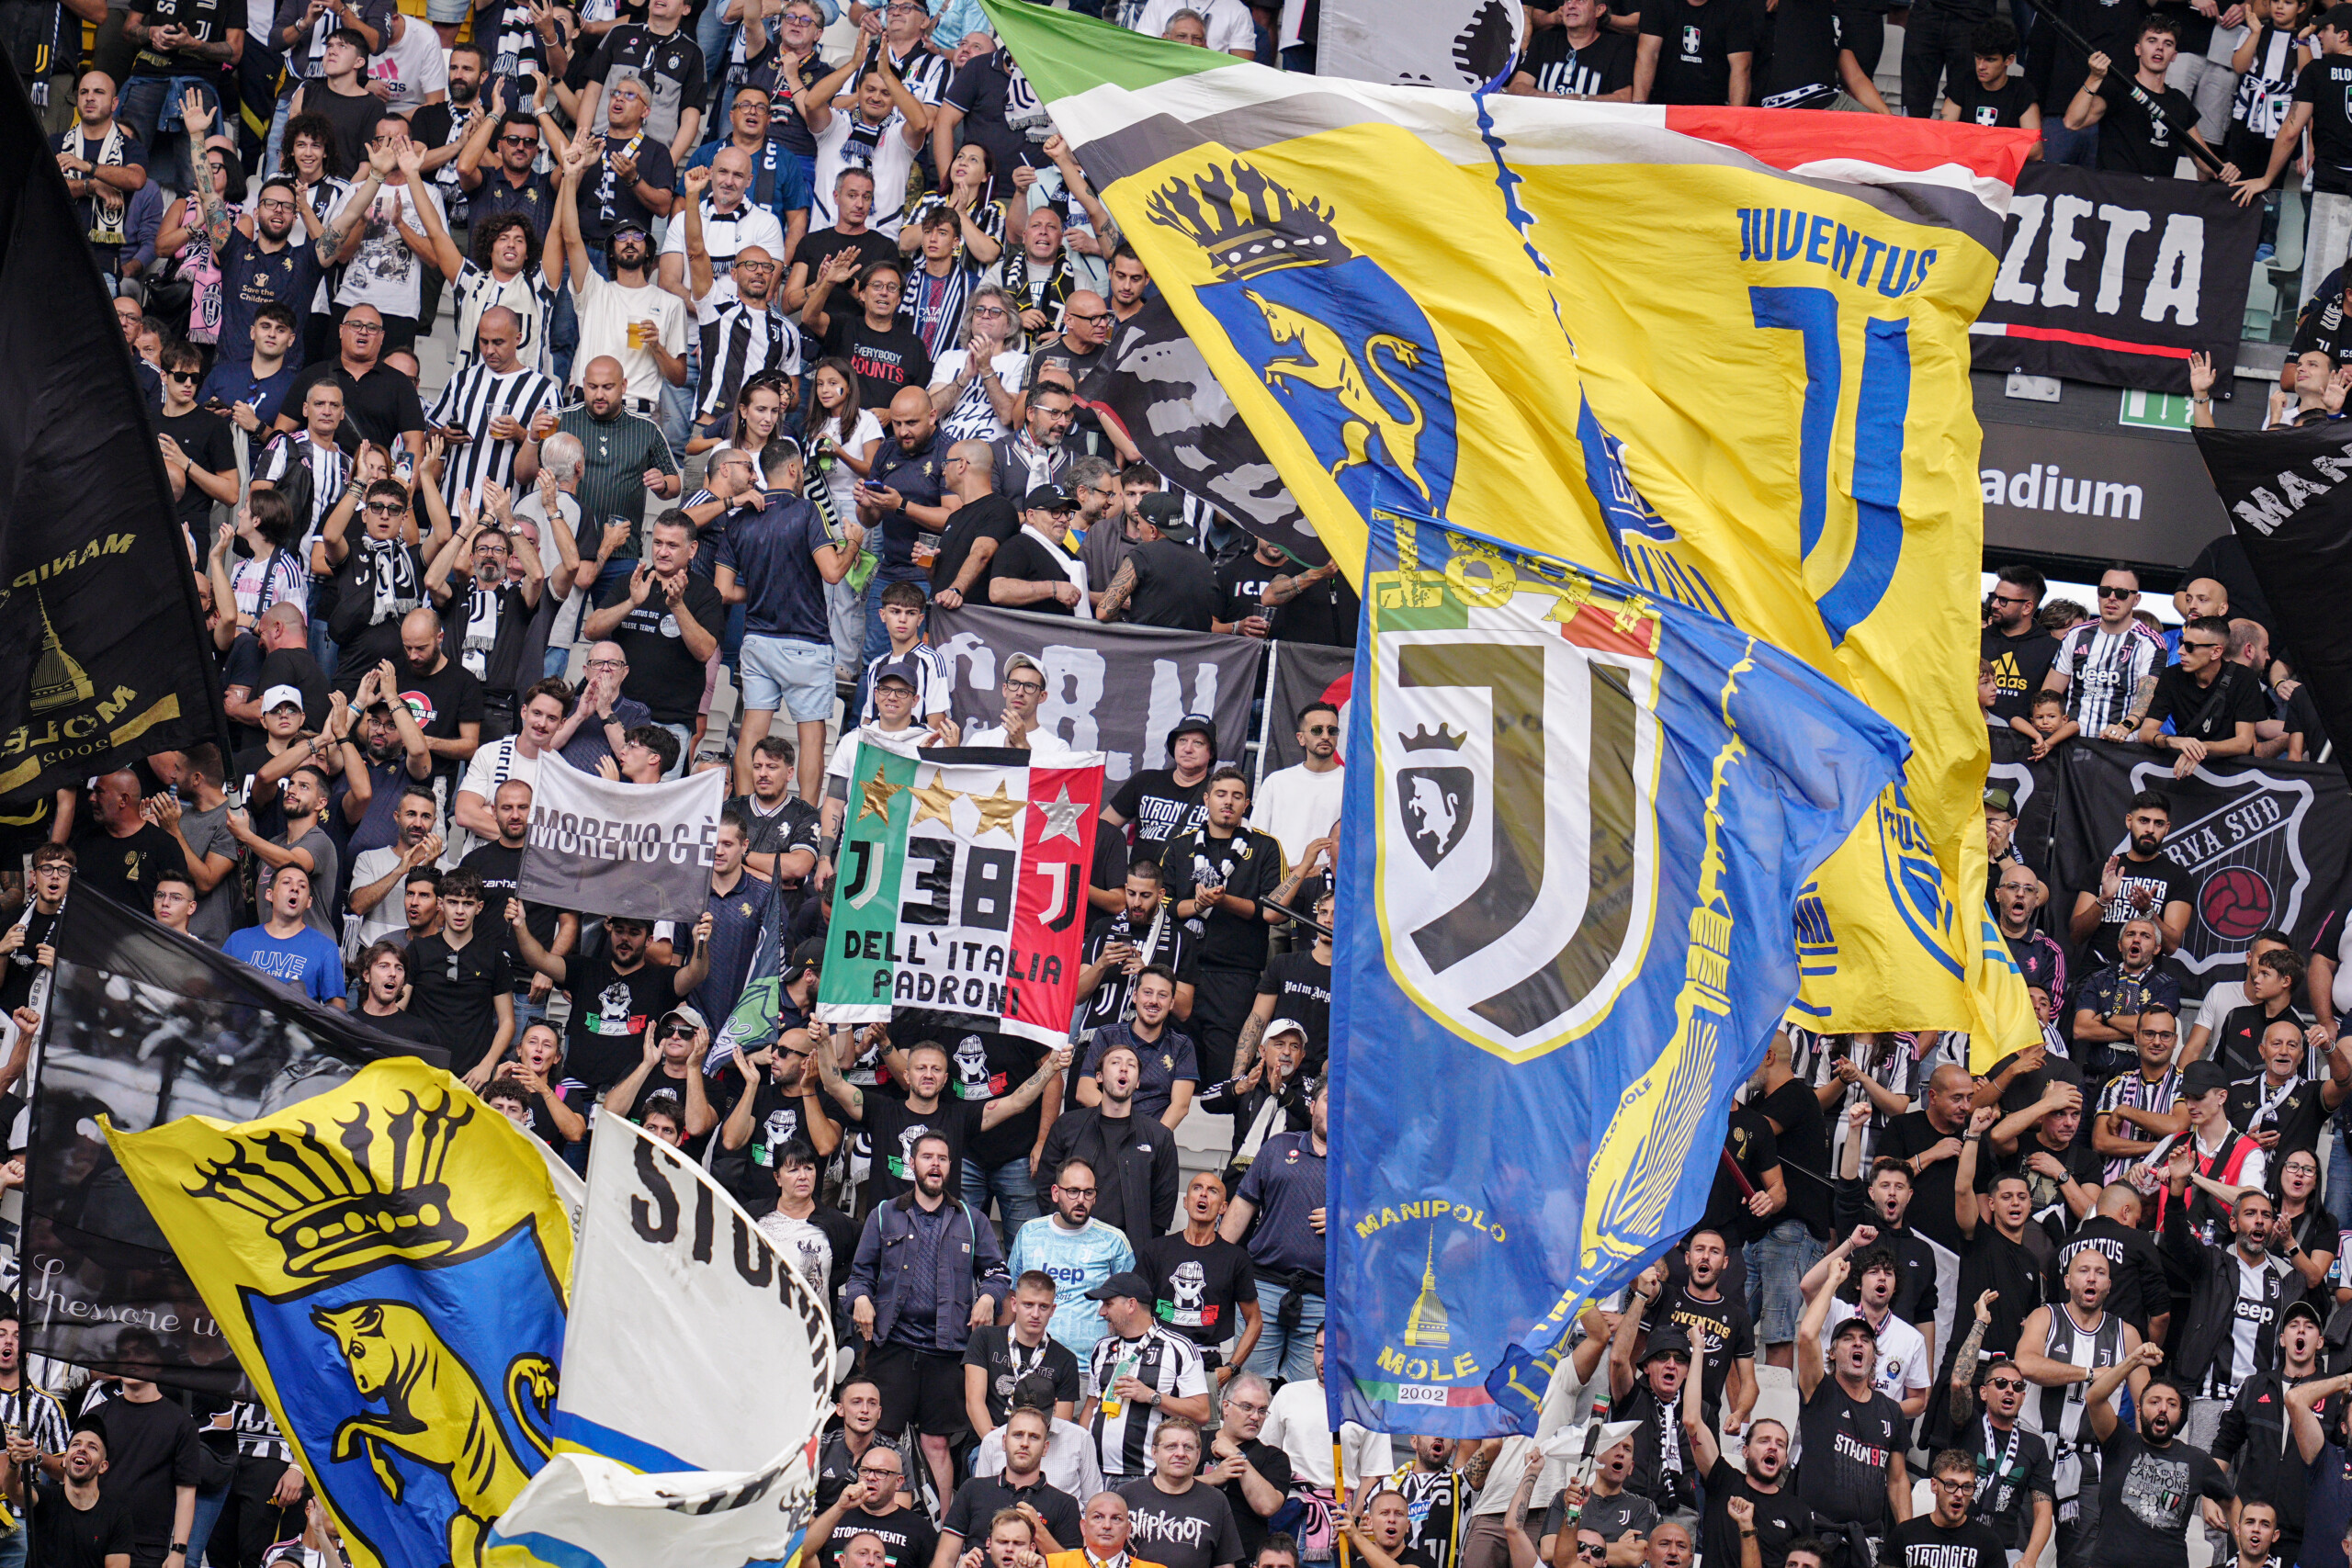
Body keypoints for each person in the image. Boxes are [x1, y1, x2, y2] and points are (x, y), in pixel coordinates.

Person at [846, 1131, 1014, 1505]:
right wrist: (859, 1299)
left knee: (937, 1443)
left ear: (950, 1168)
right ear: (913, 1164)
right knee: (881, 1436)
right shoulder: (884, 1213)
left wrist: (989, 1296)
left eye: (942, 1158)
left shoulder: (971, 1220)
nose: (935, 1164)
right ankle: (870, 1512)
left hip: (947, 1349)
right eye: (927, 1157)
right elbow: (860, 1275)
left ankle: (944, 1529)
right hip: (892, 1345)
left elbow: (998, 1273)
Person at [716, 441, 865, 802]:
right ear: (796, 469)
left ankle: (744, 815)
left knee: (751, 732)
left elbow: (723, 590)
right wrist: (853, 545)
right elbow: (832, 573)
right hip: (806, 642)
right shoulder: (807, 511)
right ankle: (807, 823)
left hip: (757, 640)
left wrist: (760, 589)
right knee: (812, 738)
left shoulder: (739, 521)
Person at [506, 898, 709, 1098]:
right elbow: (539, 959)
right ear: (610, 931)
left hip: (631, 1094)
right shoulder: (584, 968)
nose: (625, 939)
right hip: (577, 1090)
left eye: (634, 933)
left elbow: (695, 974)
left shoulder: (661, 979)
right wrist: (521, 926)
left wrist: (700, 942)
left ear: (649, 940)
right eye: (619, 931)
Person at [553, 144, 689, 412]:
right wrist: (570, 176)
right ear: (611, 252)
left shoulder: (671, 303)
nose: (629, 241)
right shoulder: (595, 290)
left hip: (637, 409)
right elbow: (570, 237)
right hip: (585, 403)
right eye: (621, 236)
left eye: (638, 236)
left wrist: (657, 347)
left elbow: (679, 377)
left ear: (648, 250)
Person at [1792, 1254, 1911, 1556]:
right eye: (1847, 1339)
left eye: (1865, 1340)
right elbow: (1807, 1334)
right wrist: (1833, 1280)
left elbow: (1897, 1480)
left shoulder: (1891, 1411)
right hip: (1815, 1539)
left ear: (1874, 1355)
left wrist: (1909, 1539)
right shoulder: (1819, 1391)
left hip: (1867, 1544)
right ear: (1831, 1353)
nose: (1858, 1343)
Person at [582, 512, 722, 766]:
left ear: (692, 550)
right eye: (658, 543)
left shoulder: (705, 594)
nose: (662, 552)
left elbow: (704, 652)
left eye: (672, 545)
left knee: (654, 803)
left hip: (668, 723)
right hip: (616, 711)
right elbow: (591, 630)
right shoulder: (632, 582)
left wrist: (677, 604)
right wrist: (632, 602)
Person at [2083, 1352, 2232, 1568]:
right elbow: (2094, 1398)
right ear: (2139, 1409)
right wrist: (2134, 1360)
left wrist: (2247, 1553)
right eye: (2155, 1402)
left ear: (2180, 1414)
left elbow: (2232, 1502)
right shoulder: (2119, 1441)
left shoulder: (2196, 1460)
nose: (2163, 1408)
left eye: (2172, 1404)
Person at [1221, 1077, 1326, 1383]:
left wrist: (1346, 1218)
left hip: (1322, 1296)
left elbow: (1382, 1223)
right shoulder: (1280, 1146)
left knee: (1308, 1395)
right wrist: (1217, 1262)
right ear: (1312, 1105)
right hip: (1263, 1287)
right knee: (1248, 1388)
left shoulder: (1360, 1166)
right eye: (1330, 1099)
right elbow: (1242, 1204)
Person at [1039, 1048, 1182, 1253]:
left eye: (1131, 1065)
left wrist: (1139, 1246)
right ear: (1099, 1076)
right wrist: (1065, 1230)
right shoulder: (1067, 1126)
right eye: (1115, 1063)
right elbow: (1046, 1188)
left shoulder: (1159, 1136)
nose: (1124, 1069)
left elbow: (1163, 1207)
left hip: (1127, 1252)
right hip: (1069, 1245)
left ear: (1138, 1081)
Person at [1080, 1273, 1214, 1486]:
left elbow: (1202, 1413)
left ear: (1131, 1305)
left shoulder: (1178, 1347)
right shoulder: (1102, 1347)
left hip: (1147, 1476)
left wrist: (1151, 1396)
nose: (1101, 1312)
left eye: (1108, 1304)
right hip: (1097, 1473)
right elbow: (1091, 1406)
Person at [1135, 1171, 1261, 1389]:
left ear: (1223, 1207)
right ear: (1186, 1201)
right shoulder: (1157, 1250)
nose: (1203, 1195)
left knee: (1202, 1424)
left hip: (1206, 1363)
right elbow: (1133, 1306)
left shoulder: (1235, 1259)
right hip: (1157, 1358)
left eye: (1212, 1191)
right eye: (1197, 1188)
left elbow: (1255, 1321)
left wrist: (1232, 1367)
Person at [1008, 1160, 1138, 1363]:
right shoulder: (1030, 1233)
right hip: (1028, 1361)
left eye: (1088, 1193)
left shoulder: (1114, 1241)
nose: (1081, 1200)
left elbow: (1131, 1306)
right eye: (1073, 1191)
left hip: (1090, 1367)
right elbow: (1011, 1295)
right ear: (1055, 1192)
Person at [936, 1406, 1084, 1568]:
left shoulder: (1065, 1504)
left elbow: (1074, 1565)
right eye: (1018, 1435)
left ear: (1045, 1448)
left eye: (1034, 1437)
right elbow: (944, 1559)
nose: (1025, 1443)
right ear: (1004, 1442)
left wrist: (1039, 1531)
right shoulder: (973, 1490)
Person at [88, 1373, 200, 1568]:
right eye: (126, 1355)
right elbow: (77, 1479)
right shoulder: (97, 1416)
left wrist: (179, 1551)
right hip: (94, 1537)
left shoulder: (182, 1423)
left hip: (148, 1546)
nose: (132, 1362)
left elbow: (185, 1491)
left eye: (139, 1354)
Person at [2041, 568, 2163, 746]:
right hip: (2071, 744)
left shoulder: (2150, 643)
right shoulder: (2076, 635)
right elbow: (2050, 692)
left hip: (2121, 748)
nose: (2112, 598)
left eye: (2122, 593)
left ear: (2136, 599)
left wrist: (2125, 726)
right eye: (2105, 591)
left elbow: (2146, 698)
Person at [54, 72, 152, 286]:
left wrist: (89, 167)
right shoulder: (55, 143)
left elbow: (136, 179)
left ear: (114, 103)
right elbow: (48, 189)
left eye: (99, 92)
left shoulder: (130, 147)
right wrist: (91, 185)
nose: (90, 97)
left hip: (102, 265)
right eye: (84, 92)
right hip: (53, 256)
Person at [2137, 616, 2264, 778]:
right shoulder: (2171, 676)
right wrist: (2172, 741)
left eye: (2190, 647)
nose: (2180, 651)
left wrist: (2197, 748)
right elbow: (2146, 732)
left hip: (2230, 775)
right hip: (2183, 771)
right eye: (2182, 642)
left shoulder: (2244, 678)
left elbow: (2244, 743)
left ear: (2216, 652)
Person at [964, 1272, 1084, 1438]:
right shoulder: (985, 1338)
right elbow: (974, 1402)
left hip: (1040, 1453)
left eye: (1043, 1306)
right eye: (1028, 1305)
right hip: (987, 1443)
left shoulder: (1065, 1359)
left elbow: (1060, 1424)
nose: (1035, 1314)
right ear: (1014, 1304)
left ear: (1052, 1310)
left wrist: (1030, 1454)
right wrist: (996, 1446)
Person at [1115, 1419, 1244, 1568]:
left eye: (1188, 1447)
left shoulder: (1215, 1501)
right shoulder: (1128, 1494)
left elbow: (1225, 1564)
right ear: (1154, 1452)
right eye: (1171, 1446)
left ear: (1198, 1454)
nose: (1180, 1453)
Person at [1078, 969, 1197, 1129]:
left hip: (1153, 1139)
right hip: (1105, 1128)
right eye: (1147, 992)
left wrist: (1151, 1139)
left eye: (1162, 995)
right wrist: (1121, 1123)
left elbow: (1180, 1106)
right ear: (1135, 996)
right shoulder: (1107, 1035)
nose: (1154, 1001)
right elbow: (1084, 1091)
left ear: (1172, 1003)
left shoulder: (1181, 1046)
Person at [223, 862, 345, 1006]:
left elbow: (337, 1011)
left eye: (302, 886)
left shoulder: (325, 948)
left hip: (295, 1028)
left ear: (309, 902)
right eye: (287, 882)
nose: (295, 888)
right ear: (269, 894)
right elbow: (217, 990)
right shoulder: (238, 940)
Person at [14, 1424, 131, 1568]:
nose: (82, 1449)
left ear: (103, 1466)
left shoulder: (117, 1516)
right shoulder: (45, 1498)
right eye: (76, 1444)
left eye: (92, 1447)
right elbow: (15, 1491)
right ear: (64, 1459)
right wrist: (14, 1462)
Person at [1206, 1377, 1292, 1563]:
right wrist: (1212, 1478)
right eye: (1247, 1407)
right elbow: (1159, 1486)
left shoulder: (1273, 1457)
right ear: (1226, 1406)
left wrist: (1237, 1455)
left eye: (1262, 1410)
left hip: (1244, 1559)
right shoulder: (1194, 1443)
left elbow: (1267, 1506)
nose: (1255, 1417)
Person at [1880, 1450, 2008, 1568]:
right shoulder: (1904, 1534)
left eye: (1967, 1487)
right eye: (1951, 1485)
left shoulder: (1988, 1541)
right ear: (1934, 1486)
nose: (1959, 1494)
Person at [809, 1452, 938, 1568]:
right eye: (865, 1470)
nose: (870, 1477)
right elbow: (803, 1554)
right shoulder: (834, 1516)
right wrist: (839, 1507)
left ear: (899, 1482)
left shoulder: (920, 1529)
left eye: (881, 1472)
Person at [1508, 0, 1637, 96]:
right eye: (1567, 1)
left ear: (1599, 10)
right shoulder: (1543, 40)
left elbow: (1623, 97)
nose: (1571, 5)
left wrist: (1581, 100)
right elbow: (1516, 87)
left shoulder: (1617, 46)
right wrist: (1547, 97)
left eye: (1581, 1)